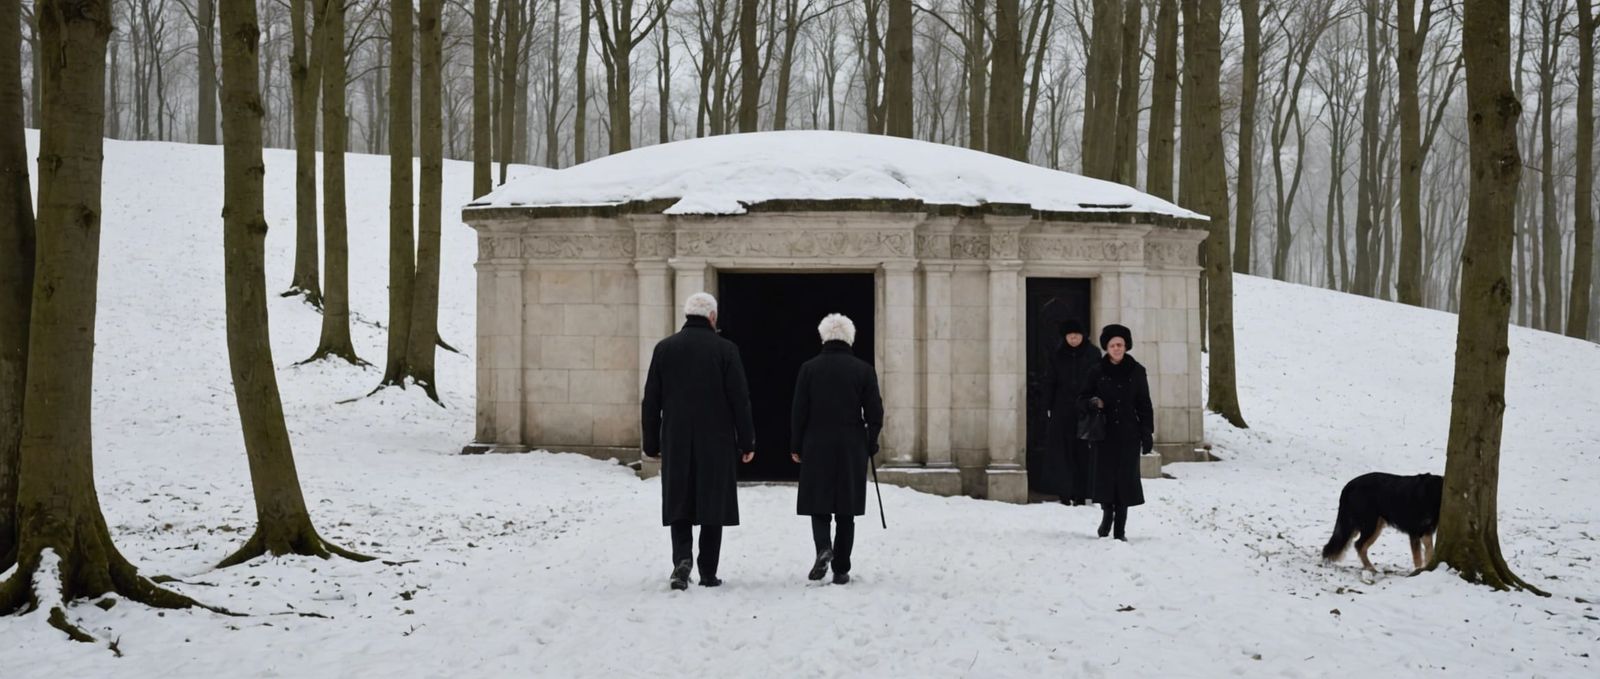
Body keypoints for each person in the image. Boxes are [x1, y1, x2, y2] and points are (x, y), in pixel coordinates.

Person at [642, 292, 756, 590]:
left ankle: (682, 559)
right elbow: (739, 400)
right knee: (712, 502)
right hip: (716, 439)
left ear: (686, 314)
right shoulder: (726, 350)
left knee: (679, 498)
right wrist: (747, 441)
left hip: (677, 438)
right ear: (713, 317)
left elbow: (651, 400)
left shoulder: (664, 349)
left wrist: (651, 442)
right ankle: (708, 570)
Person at [790, 313, 883, 585]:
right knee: (846, 509)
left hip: (816, 442)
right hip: (851, 444)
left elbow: (799, 411)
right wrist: (871, 439)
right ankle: (841, 568)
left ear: (823, 337)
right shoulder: (863, 370)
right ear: (850, 338)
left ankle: (823, 548)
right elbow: (875, 411)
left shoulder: (809, 368)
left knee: (819, 505)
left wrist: (796, 444)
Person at [1079, 324, 1152, 541]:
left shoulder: (1137, 371)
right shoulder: (1096, 371)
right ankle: (1107, 514)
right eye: (1112, 345)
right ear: (1106, 347)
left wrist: (1147, 432)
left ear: (1126, 346)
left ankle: (1120, 529)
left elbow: (1144, 404)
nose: (1117, 348)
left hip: (1129, 433)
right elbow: (1081, 399)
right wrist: (1093, 402)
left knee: (1125, 480)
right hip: (1104, 433)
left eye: (1120, 344)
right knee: (1105, 479)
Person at [1040, 318, 1101, 506]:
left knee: (1084, 453)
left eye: (1076, 335)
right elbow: (1050, 381)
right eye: (1070, 335)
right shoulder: (1057, 354)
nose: (1073, 338)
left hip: (1086, 410)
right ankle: (1064, 492)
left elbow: (1099, 379)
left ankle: (1082, 493)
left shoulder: (1093, 354)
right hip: (1062, 409)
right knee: (1062, 452)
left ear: (1083, 336)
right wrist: (1048, 407)